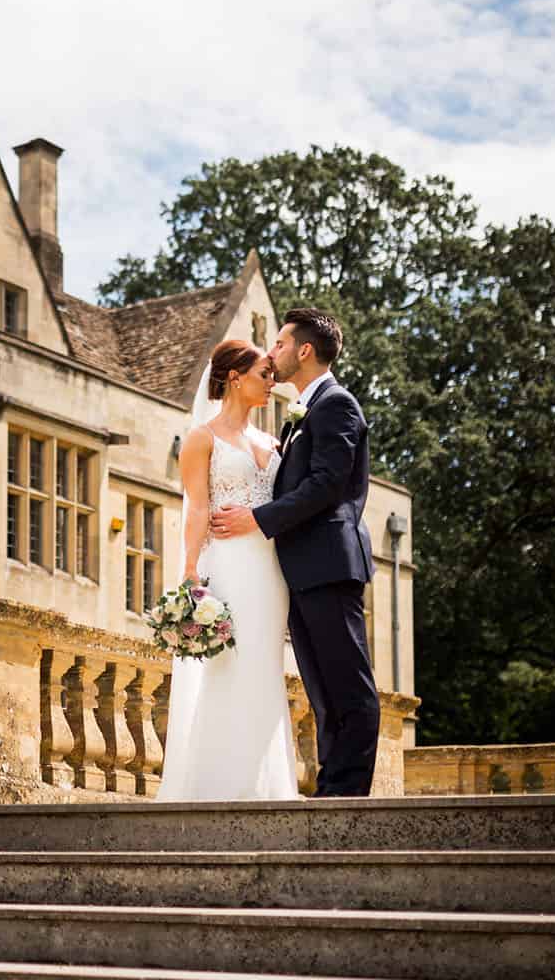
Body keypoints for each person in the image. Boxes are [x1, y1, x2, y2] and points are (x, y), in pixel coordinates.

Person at [212, 307, 379, 797]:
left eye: (280, 344)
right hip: (302, 571)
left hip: (329, 564)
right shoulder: (305, 409)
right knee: (322, 690)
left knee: (348, 685)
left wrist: (257, 520)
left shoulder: (337, 404)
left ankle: (349, 794)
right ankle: (333, 788)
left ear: (304, 350)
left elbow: (328, 484)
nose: (273, 352)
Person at [156, 339, 300, 801]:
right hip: (229, 565)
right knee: (229, 668)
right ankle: (218, 787)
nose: (272, 382)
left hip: (270, 571)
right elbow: (197, 510)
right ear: (235, 378)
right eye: (264, 374)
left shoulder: (273, 442)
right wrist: (190, 572)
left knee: (264, 669)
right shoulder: (202, 439)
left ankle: (268, 787)